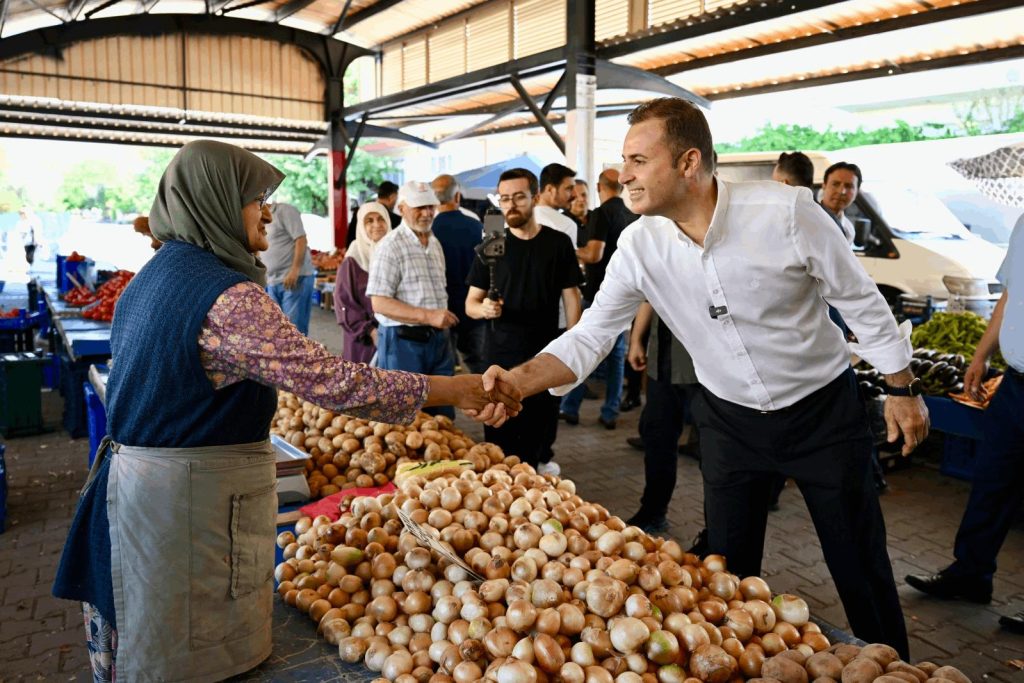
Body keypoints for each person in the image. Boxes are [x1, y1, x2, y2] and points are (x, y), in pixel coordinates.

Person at [51, 140, 520, 683]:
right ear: (217, 203)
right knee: (187, 655)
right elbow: (333, 380)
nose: (269, 212)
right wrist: (454, 389)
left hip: (144, 495)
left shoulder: (155, 274)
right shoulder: (225, 294)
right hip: (183, 510)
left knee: (152, 647)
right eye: (255, 200)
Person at [476, 97, 930, 657]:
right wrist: (518, 381)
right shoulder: (640, 244)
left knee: (858, 560)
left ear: (689, 162)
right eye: (624, 160)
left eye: (640, 160)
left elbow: (860, 302)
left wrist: (902, 389)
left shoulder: (786, 213)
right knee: (728, 572)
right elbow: (592, 334)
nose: (624, 175)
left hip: (823, 413)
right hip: (730, 421)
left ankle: (898, 668)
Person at [905, 211, 1023, 633]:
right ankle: (971, 574)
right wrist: (981, 353)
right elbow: (1011, 296)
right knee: (992, 479)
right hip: (1016, 383)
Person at [465, 168, 582, 474]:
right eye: (504, 199)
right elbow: (471, 304)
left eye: (518, 196)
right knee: (498, 444)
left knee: (534, 442)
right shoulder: (494, 242)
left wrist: (574, 348)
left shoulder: (557, 243)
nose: (511, 205)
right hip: (498, 358)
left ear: (535, 196)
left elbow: (571, 297)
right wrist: (485, 309)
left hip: (543, 358)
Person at [367, 181, 458, 418]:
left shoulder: (434, 243)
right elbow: (379, 303)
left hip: (438, 341)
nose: (427, 213)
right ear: (402, 209)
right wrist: (429, 316)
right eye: (420, 207)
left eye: (431, 206)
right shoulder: (391, 246)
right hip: (403, 344)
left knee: (443, 414)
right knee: (406, 415)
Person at [561, 168, 639, 428]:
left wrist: (565, 251)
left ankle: (570, 407)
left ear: (598, 187)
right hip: (628, 295)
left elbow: (593, 254)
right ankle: (610, 412)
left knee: (584, 351)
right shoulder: (631, 212)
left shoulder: (601, 214)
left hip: (598, 294)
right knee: (616, 357)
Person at [625, 302, 699, 533]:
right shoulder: (660, 263)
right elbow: (649, 295)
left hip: (706, 366)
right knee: (657, 437)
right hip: (663, 361)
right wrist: (636, 340)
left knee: (716, 453)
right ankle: (653, 511)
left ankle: (716, 531)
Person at [431, 174, 486, 373]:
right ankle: (485, 402)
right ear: (458, 197)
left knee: (444, 367)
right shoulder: (477, 225)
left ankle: (448, 403)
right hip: (474, 307)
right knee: (479, 365)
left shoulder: (428, 230)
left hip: (441, 310)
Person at [335, 202, 391, 364]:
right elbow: (344, 303)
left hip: (395, 335)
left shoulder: (397, 253)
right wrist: (370, 331)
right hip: (364, 341)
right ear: (360, 225)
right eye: (369, 221)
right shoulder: (353, 261)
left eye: (381, 219)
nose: (377, 225)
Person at [263, 202, 315, 335]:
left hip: (294, 278)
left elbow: (301, 239)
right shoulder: (257, 218)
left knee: (294, 331)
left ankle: (299, 356)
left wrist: (295, 271)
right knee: (278, 330)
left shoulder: (284, 210)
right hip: (273, 281)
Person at [820, 161, 861, 245]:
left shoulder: (848, 230)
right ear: (824, 186)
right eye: (835, 184)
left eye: (849, 186)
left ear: (857, 192)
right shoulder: (806, 219)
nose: (842, 191)